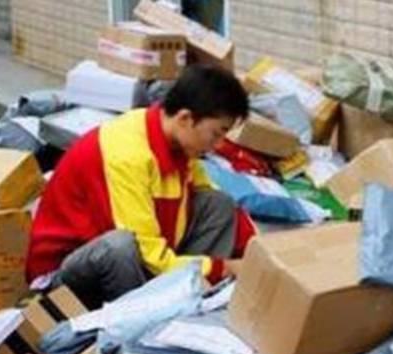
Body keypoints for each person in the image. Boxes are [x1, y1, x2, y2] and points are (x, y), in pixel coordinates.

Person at [26, 64, 254, 309]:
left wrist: (260, 254)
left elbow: (210, 192)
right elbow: (145, 251)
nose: (218, 145)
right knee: (120, 247)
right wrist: (222, 268)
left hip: (138, 261)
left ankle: (187, 297)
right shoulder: (128, 154)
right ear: (185, 119)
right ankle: (151, 319)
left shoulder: (177, 140)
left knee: (218, 204)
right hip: (65, 274)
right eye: (216, 134)